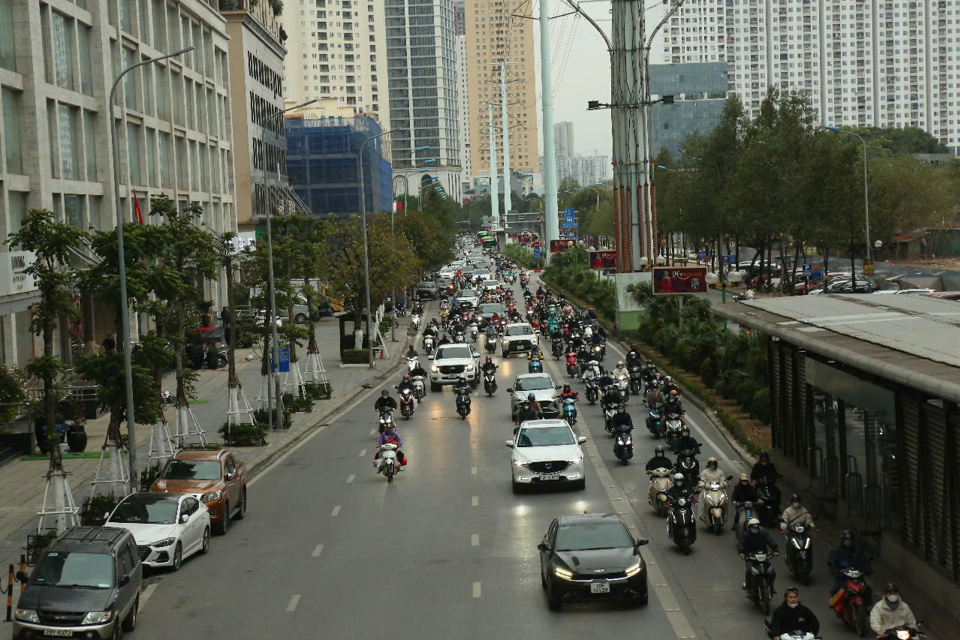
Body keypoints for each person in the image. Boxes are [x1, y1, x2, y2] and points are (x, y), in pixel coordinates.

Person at [827, 529, 873, 601]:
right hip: (843, 577)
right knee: (836, 591)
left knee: (866, 590)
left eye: (850, 540)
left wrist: (867, 569)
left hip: (857, 576)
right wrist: (836, 571)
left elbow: (864, 560)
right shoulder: (837, 551)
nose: (848, 542)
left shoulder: (858, 550)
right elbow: (832, 562)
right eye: (846, 540)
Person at [738, 517, 780, 591]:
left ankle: (771, 587)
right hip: (750, 557)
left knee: (772, 572)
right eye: (753, 527)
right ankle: (748, 585)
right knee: (748, 570)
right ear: (749, 527)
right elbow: (741, 544)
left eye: (756, 527)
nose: (755, 529)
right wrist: (741, 553)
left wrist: (775, 550)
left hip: (763, 556)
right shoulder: (745, 535)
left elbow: (770, 541)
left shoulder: (764, 534)